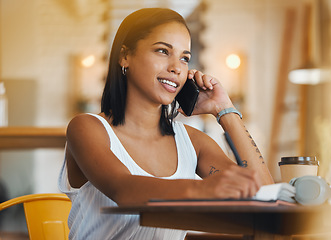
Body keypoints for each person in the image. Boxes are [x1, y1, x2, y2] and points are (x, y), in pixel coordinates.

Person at [59, 7, 274, 240]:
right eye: (163, 51)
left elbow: (266, 198)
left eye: (184, 58)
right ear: (125, 56)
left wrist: (225, 110)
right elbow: (124, 189)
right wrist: (205, 190)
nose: (177, 67)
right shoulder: (86, 128)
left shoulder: (192, 142)